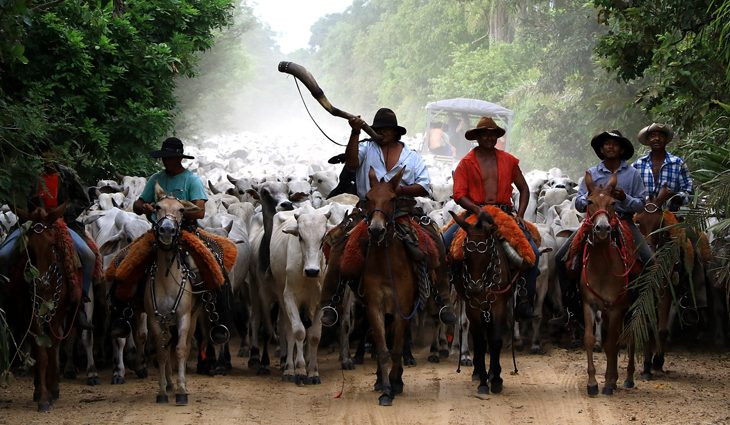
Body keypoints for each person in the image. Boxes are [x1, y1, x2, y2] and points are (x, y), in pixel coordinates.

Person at [320, 108, 456, 326]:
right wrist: (355, 133)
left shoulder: (411, 157)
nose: (383, 132)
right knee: (339, 245)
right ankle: (331, 302)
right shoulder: (365, 147)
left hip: (403, 212)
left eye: (388, 129)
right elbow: (352, 164)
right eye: (379, 129)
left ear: (396, 132)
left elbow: (424, 186)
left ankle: (442, 299)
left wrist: (397, 192)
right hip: (368, 212)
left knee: (435, 243)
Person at [110, 137, 231, 344]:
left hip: (187, 233)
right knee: (125, 263)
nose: (167, 161)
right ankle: (123, 314)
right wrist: (146, 208)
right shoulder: (156, 179)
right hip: (157, 234)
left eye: (171, 158)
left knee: (214, 264)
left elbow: (200, 211)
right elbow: (138, 204)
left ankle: (217, 318)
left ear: (179, 158)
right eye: (165, 158)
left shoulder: (191, 180)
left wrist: (175, 211)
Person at [441, 116, 539, 320]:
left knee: (533, 254)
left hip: (503, 215)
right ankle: (445, 301)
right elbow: (459, 194)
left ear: (496, 137)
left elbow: (524, 189)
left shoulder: (509, 160)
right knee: (443, 245)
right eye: (484, 134)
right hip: (474, 216)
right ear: (476, 137)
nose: (488, 137)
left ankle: (524, 299)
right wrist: (477, 210)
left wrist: (520, 215)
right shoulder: (466, 163)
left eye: (492, 134)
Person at [552, 130, 651, 325]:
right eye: (606, 144)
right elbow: (579, 201)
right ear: (601, 149)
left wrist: (624, 198)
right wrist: (588, 199)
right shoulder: (592, 173)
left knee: (649, 261)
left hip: (624, 221)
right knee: (560, 258)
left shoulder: (632, 174)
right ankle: (571, 309)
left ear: (621, 148)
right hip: (593, 222)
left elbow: (641, 204)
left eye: (615, 144)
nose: (610, 147)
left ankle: (642, 312)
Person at [0, 141, 94, 328]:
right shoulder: (26, 175)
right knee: (3, 255)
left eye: (48, 152)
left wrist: (60, 214)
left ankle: (81, 301)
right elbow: (13, 200)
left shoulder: (67, 175)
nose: (44, 157)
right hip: (29, 223)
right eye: (40, 152)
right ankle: (3, 302)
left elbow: (82, 199)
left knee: (88, 255)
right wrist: (28, 212)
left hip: (60, 223)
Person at [632, 123, 692, 211]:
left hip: (671, 217)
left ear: (666, 139)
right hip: (643, 218)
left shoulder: (677, 163)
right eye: (653, 136)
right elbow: (631, 193)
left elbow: (689, 193)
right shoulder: (637, 165)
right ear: (648, 140)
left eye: (661, 136)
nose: (657, 139)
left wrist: (673, 196)